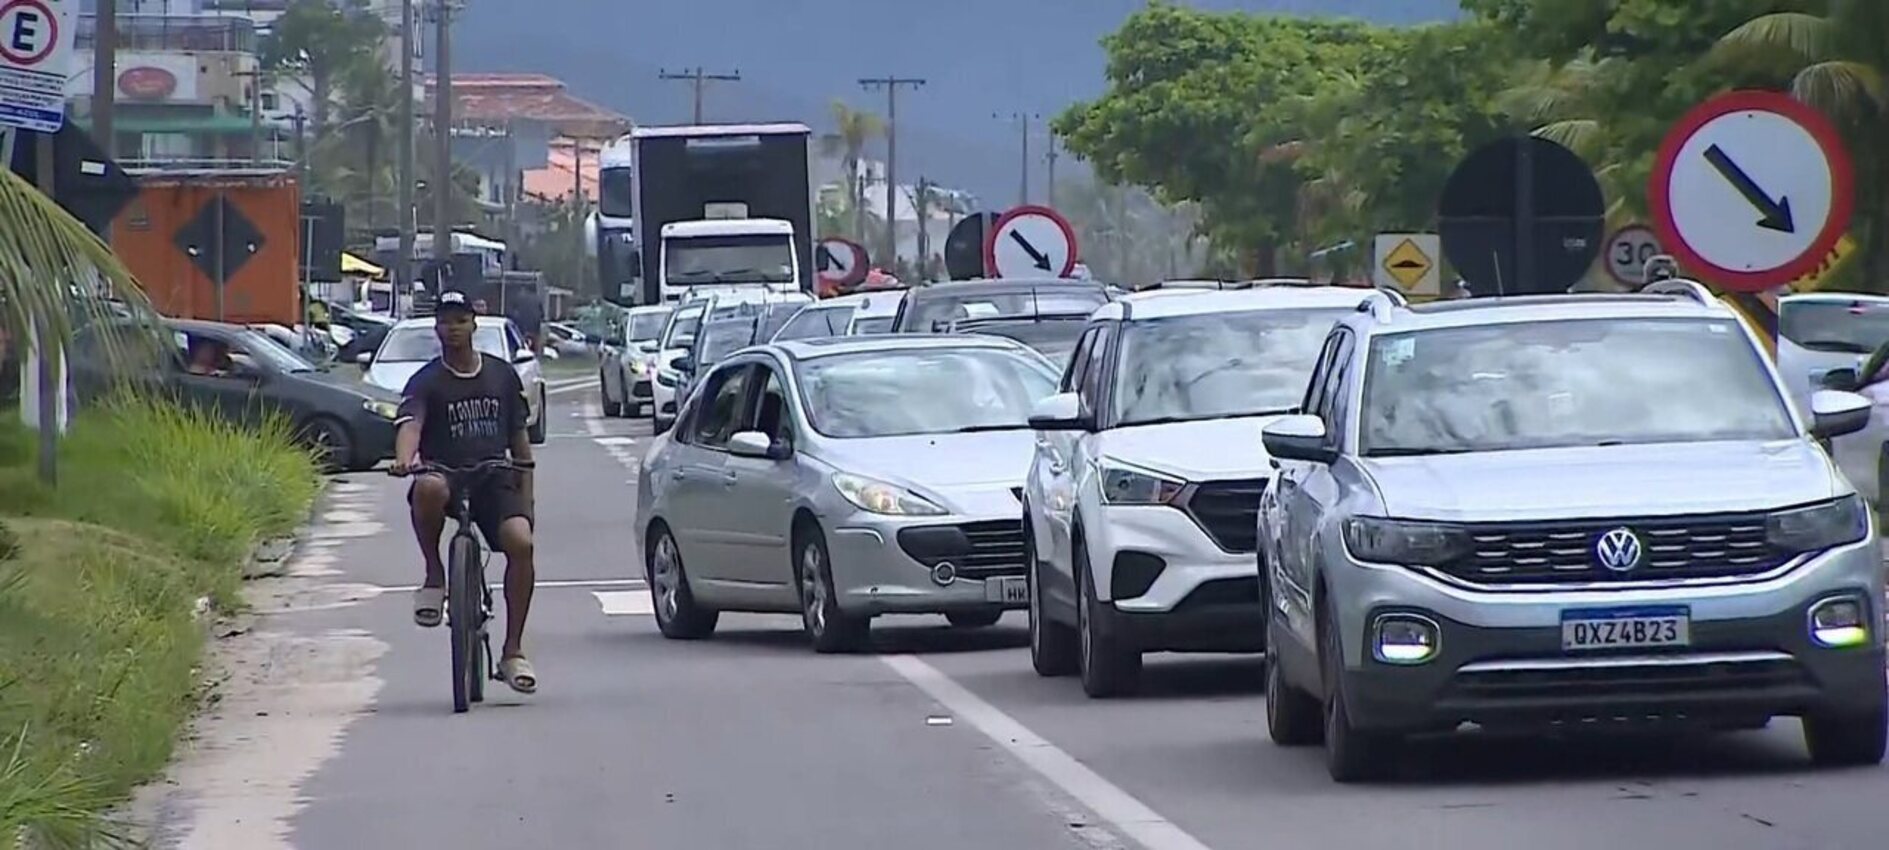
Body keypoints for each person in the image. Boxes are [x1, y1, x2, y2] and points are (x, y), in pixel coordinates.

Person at [390, 290, 540, 694]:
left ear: (474, 324)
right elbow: (411, 424)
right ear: (436, 328)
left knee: (520, 544)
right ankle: (435, 575)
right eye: (444, 321)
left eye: (460, 320)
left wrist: (526, 493)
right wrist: (406, 458)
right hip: (445, 473)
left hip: (494, 477)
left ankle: (512, 651)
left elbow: (519, 439)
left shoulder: (501, 375)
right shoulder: (426, 380)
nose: (452, 329)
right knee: (428, 487)